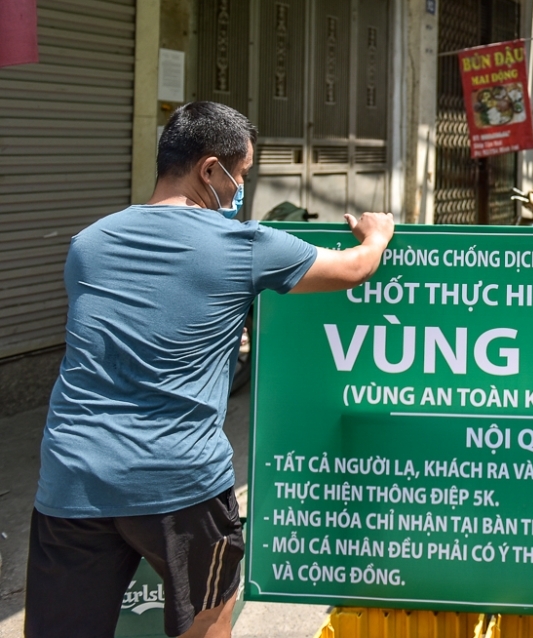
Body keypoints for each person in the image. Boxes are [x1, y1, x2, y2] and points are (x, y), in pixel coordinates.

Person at [25, 102, 395, 638]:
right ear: (209, 169)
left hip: (72, 475)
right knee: (208, 621)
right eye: (241, 174)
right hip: (180, 479)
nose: (241, 188)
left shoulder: (90, 243)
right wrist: (377, 234)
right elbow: (353, 269)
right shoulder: (243, 246)